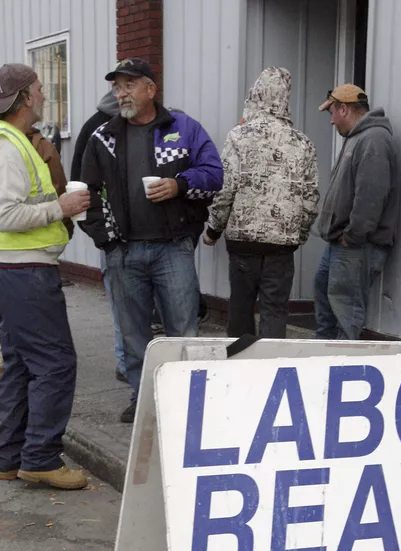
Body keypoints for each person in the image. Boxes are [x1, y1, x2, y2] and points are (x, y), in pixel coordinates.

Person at [0, 63, 91, 489]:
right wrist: (63, 208)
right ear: (23, 99)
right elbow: (5, 214)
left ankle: (11, 457)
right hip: (25, 270)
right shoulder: (6, 145)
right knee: (56, 364)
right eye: (38, 89)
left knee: (21, 365)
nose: (43, 95)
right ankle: (40, 457)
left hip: (11, 270)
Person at [80, 58, 223, 424]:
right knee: (132, 334)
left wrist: (179, 184)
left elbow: (214, 174)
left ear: (150, 89)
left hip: (172, 248)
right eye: (117, 86)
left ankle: (189, 400)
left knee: (183, 329)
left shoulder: (184, 128)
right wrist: (106, 240)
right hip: (123, 251)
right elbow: (87, 193)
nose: (121, 92)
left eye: (128, 84)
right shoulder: (103, 136)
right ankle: (142, 397)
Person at [203, 67, 319, 338]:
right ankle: (270, 370)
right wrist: (297, 234)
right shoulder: (303, 143)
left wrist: (213, 229)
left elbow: (226, 187)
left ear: (254, 96)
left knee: (241, 308)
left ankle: (239, 368)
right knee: (275, 310)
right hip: (281, 246)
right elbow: (311, 198)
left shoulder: (238, 137)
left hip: (243, 243)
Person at [0, 128, 74, 375]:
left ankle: (2, 363)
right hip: (30, 255)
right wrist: (61, 215)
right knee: (52, 362)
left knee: (3, 329)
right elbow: (58, 187)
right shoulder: (29, 145)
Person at [315, 84, 399, 340]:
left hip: (355, 245)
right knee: (325, 294)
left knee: (345, 310)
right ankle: (320, 361)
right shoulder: (358, 138)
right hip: (342, 243)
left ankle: (341, 366)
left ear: (344, 108)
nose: (331, 121)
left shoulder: (373, 140)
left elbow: (370, 197)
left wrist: (352, 236)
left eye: (332, 112)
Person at [71, 90, 128, 383]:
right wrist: (100, 233)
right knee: (121, 302)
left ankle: (137, 360)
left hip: (147, 235)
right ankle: (125, 362)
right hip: (112, 234)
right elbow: (79, 184)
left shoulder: (146, 125)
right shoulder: (97, 127)